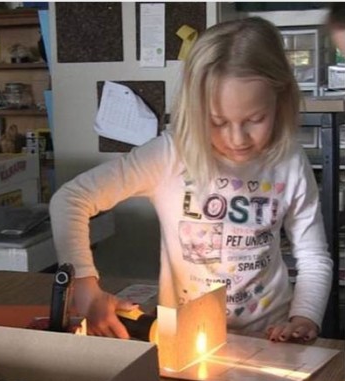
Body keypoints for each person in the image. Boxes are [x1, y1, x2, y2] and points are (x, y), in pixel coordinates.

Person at [49, 17, 332, 344]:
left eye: (255, 119)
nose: (237, 138)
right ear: (195, 110)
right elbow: (70, 199)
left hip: (268, 337)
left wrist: (304, 317)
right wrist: (86, 287)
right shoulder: (170, 155)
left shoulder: (290, 161)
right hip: (184, 337)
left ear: (280, 101)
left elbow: (313, 256)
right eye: (218, 122)